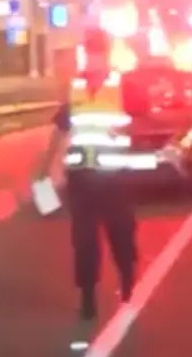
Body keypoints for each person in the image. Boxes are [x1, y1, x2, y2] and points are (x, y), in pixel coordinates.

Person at [33, 27, 138, 321]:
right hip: (81, 177)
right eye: (90, 52)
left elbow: (141, 124)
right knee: (84, 241)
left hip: (114, 177)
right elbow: (60, 130)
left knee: (121, 234)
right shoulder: (75, 88)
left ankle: (127, 281)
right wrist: (43, 170)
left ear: (105, 54)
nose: (93, 58)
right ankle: (88, 298)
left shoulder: (122, 87)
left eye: (97, 52)